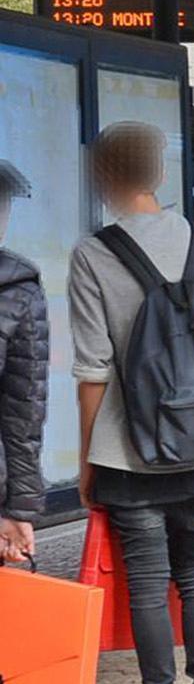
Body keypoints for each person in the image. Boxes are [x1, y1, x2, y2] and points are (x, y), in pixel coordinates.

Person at [67, 124, 194, 684]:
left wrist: (85, 461)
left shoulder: (94, 253)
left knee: (146, 586)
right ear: (159, 174)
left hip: (128, 448)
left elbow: (92, 370)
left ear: (104, 176)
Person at [1, 159, 47, 566]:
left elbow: (23, 412)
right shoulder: (17, 290)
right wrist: (18, 510)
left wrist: (19, 507)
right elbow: (23, 413)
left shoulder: (18, 288)